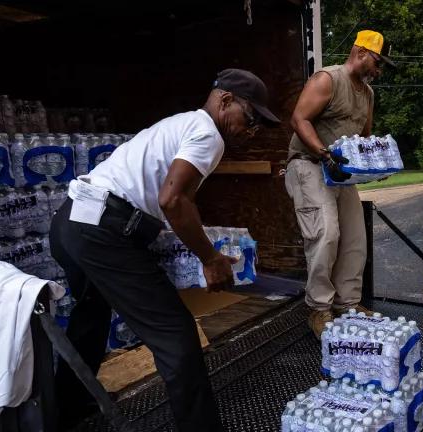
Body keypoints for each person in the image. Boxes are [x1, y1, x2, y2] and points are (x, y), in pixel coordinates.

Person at [49, 69, 280, 431]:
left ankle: (66, 409)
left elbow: (169, 200)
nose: (250, 130)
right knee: (176, 334)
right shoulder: (208, 134)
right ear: (225, 100)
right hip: (102, 230)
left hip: (70, 222)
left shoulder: (182, 124)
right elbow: (172, 199)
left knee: (90, 317)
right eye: (249, 117)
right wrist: (210, 258)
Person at [285, 30, 394, 338]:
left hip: (340, 172)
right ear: (360, 53)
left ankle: (348, 304)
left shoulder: (368, 95)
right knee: (327, 232)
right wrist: (323, 152)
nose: (378, 70)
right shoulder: (327, 80)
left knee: (356, 239)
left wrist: (376, 165)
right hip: (308, 164)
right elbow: (299, 119)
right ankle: (319, 309)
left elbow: (364, 139)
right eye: (377, 62)